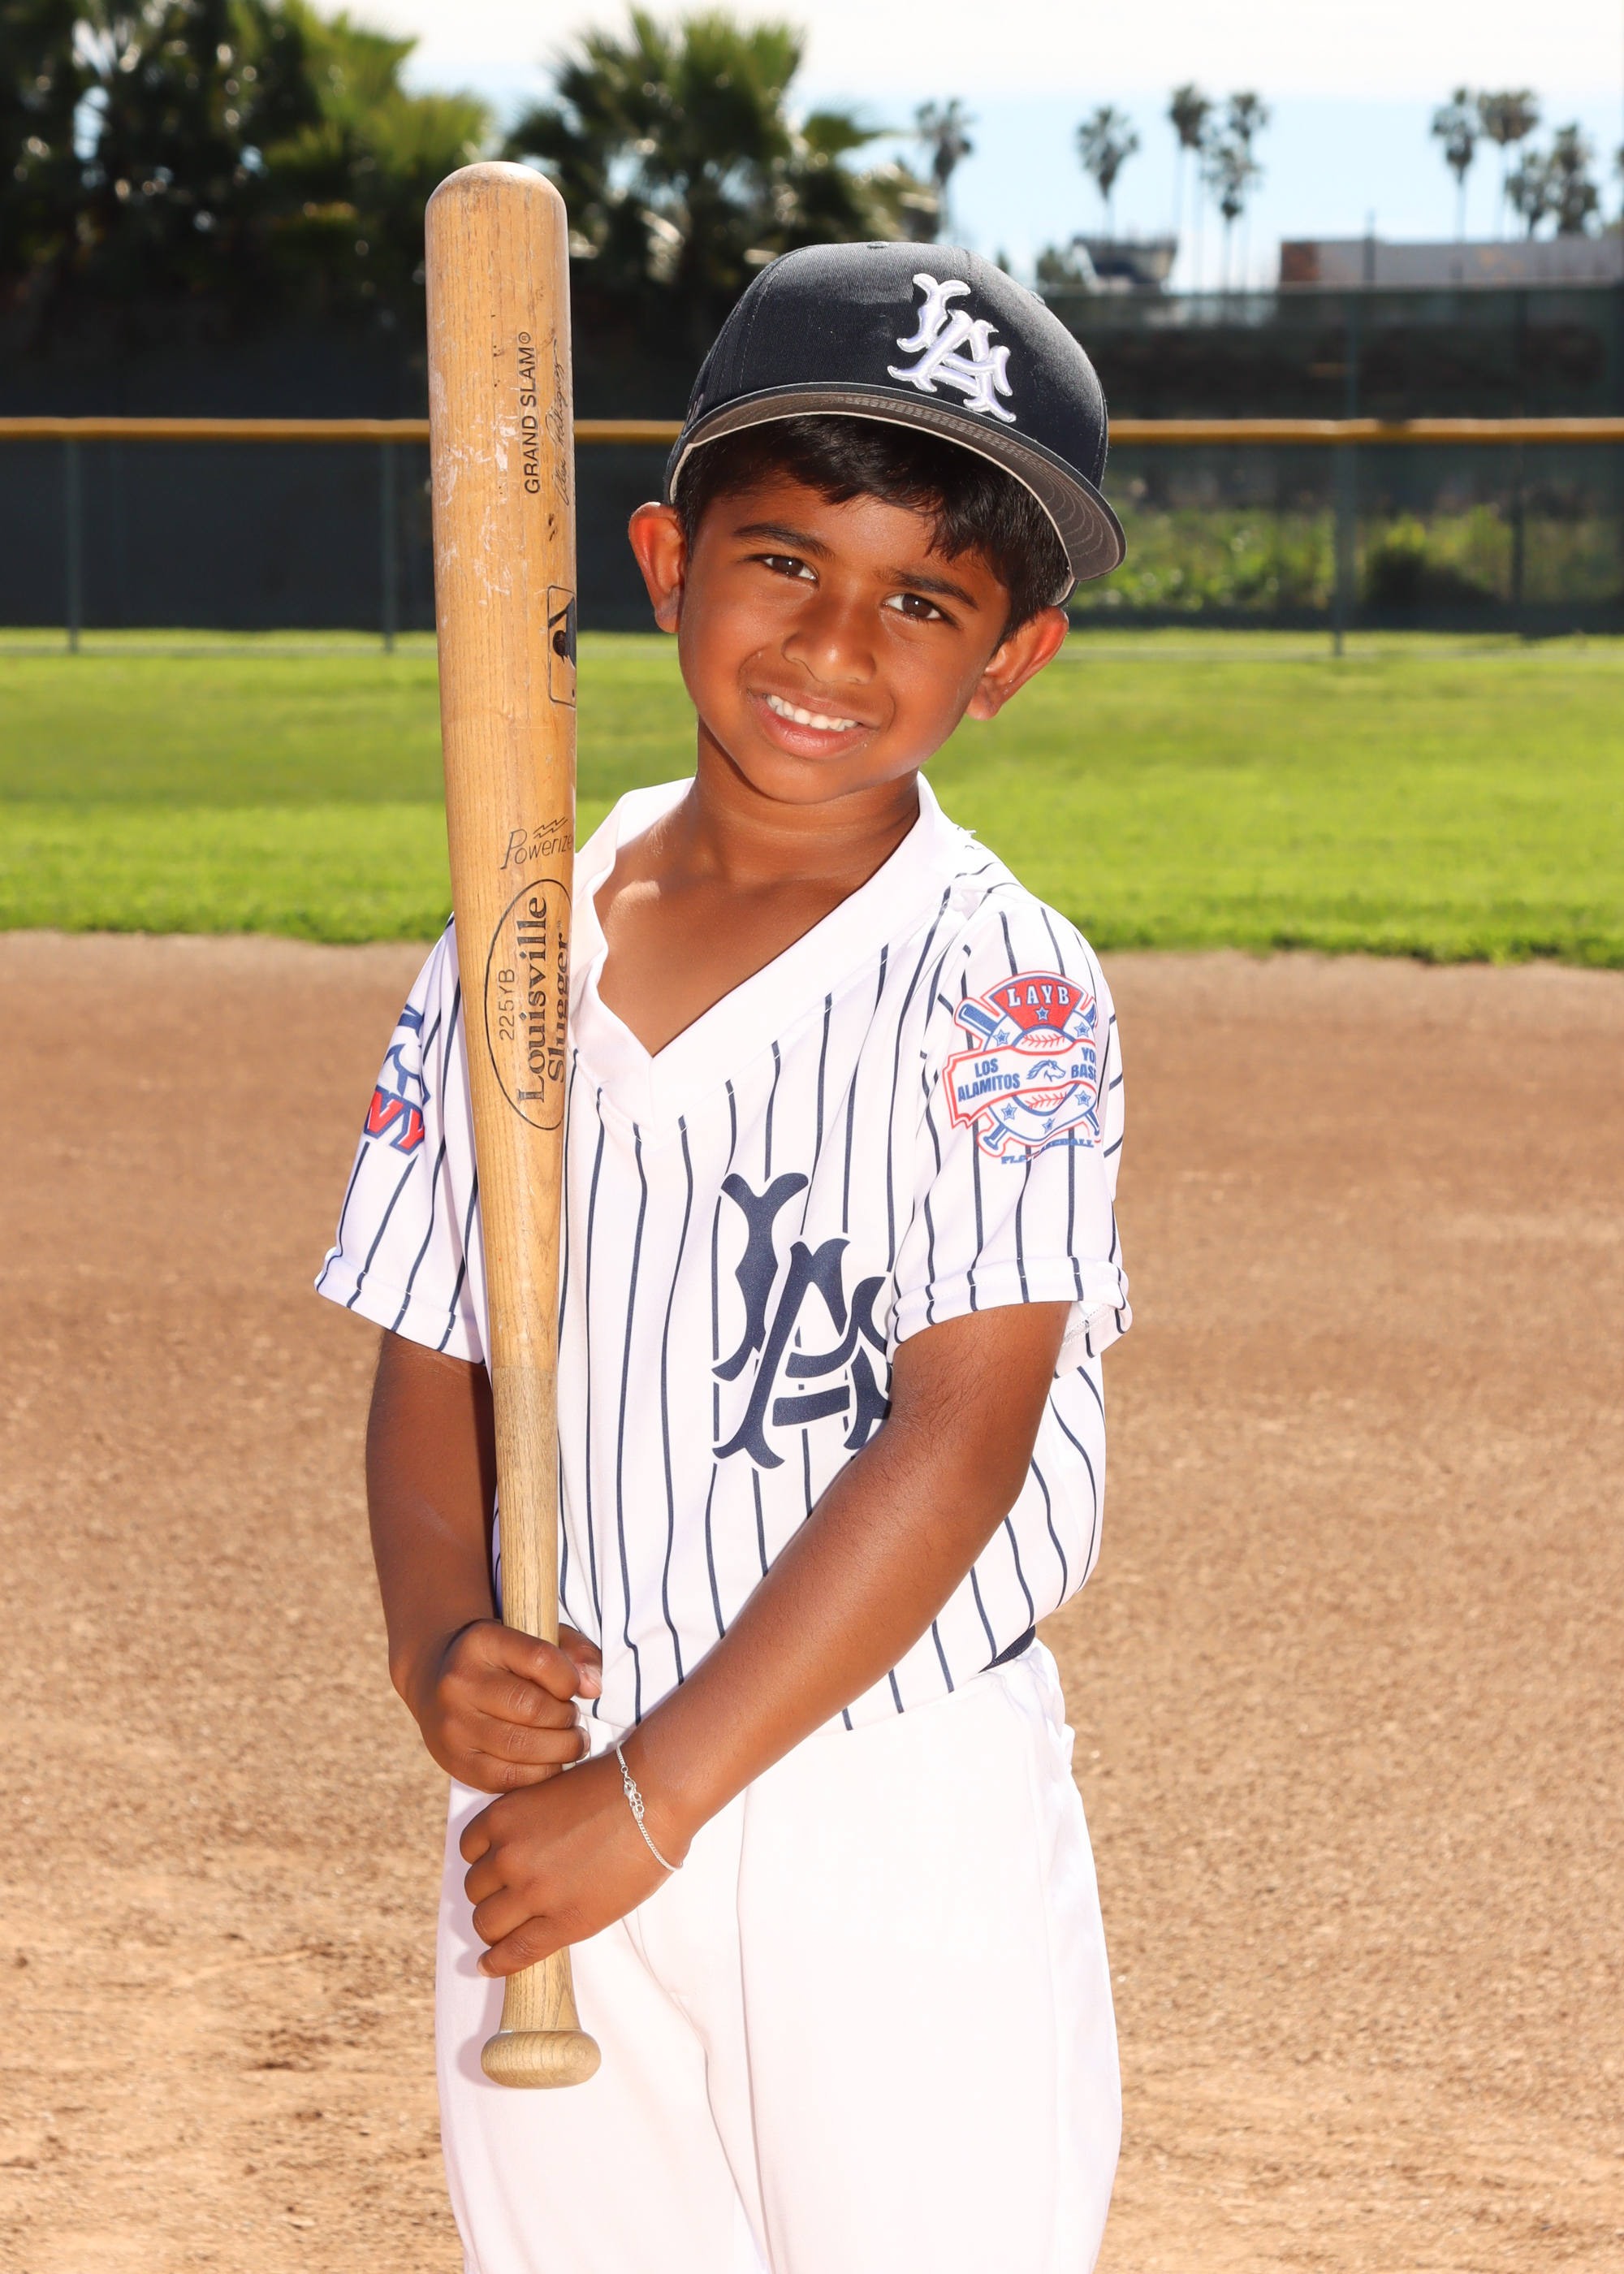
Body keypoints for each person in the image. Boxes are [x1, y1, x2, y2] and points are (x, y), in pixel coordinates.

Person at [317, 241, 1131, 2274]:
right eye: (786, 560)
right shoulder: (513, 926)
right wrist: (436, 1648)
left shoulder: (1004, 982)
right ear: (668, 559)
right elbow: (433, 1358)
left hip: (880, 1798)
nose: (834, 643)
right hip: (555, 1780)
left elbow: (963, 1435)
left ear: (1010, 656)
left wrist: (657, 1801)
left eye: (923, 600)